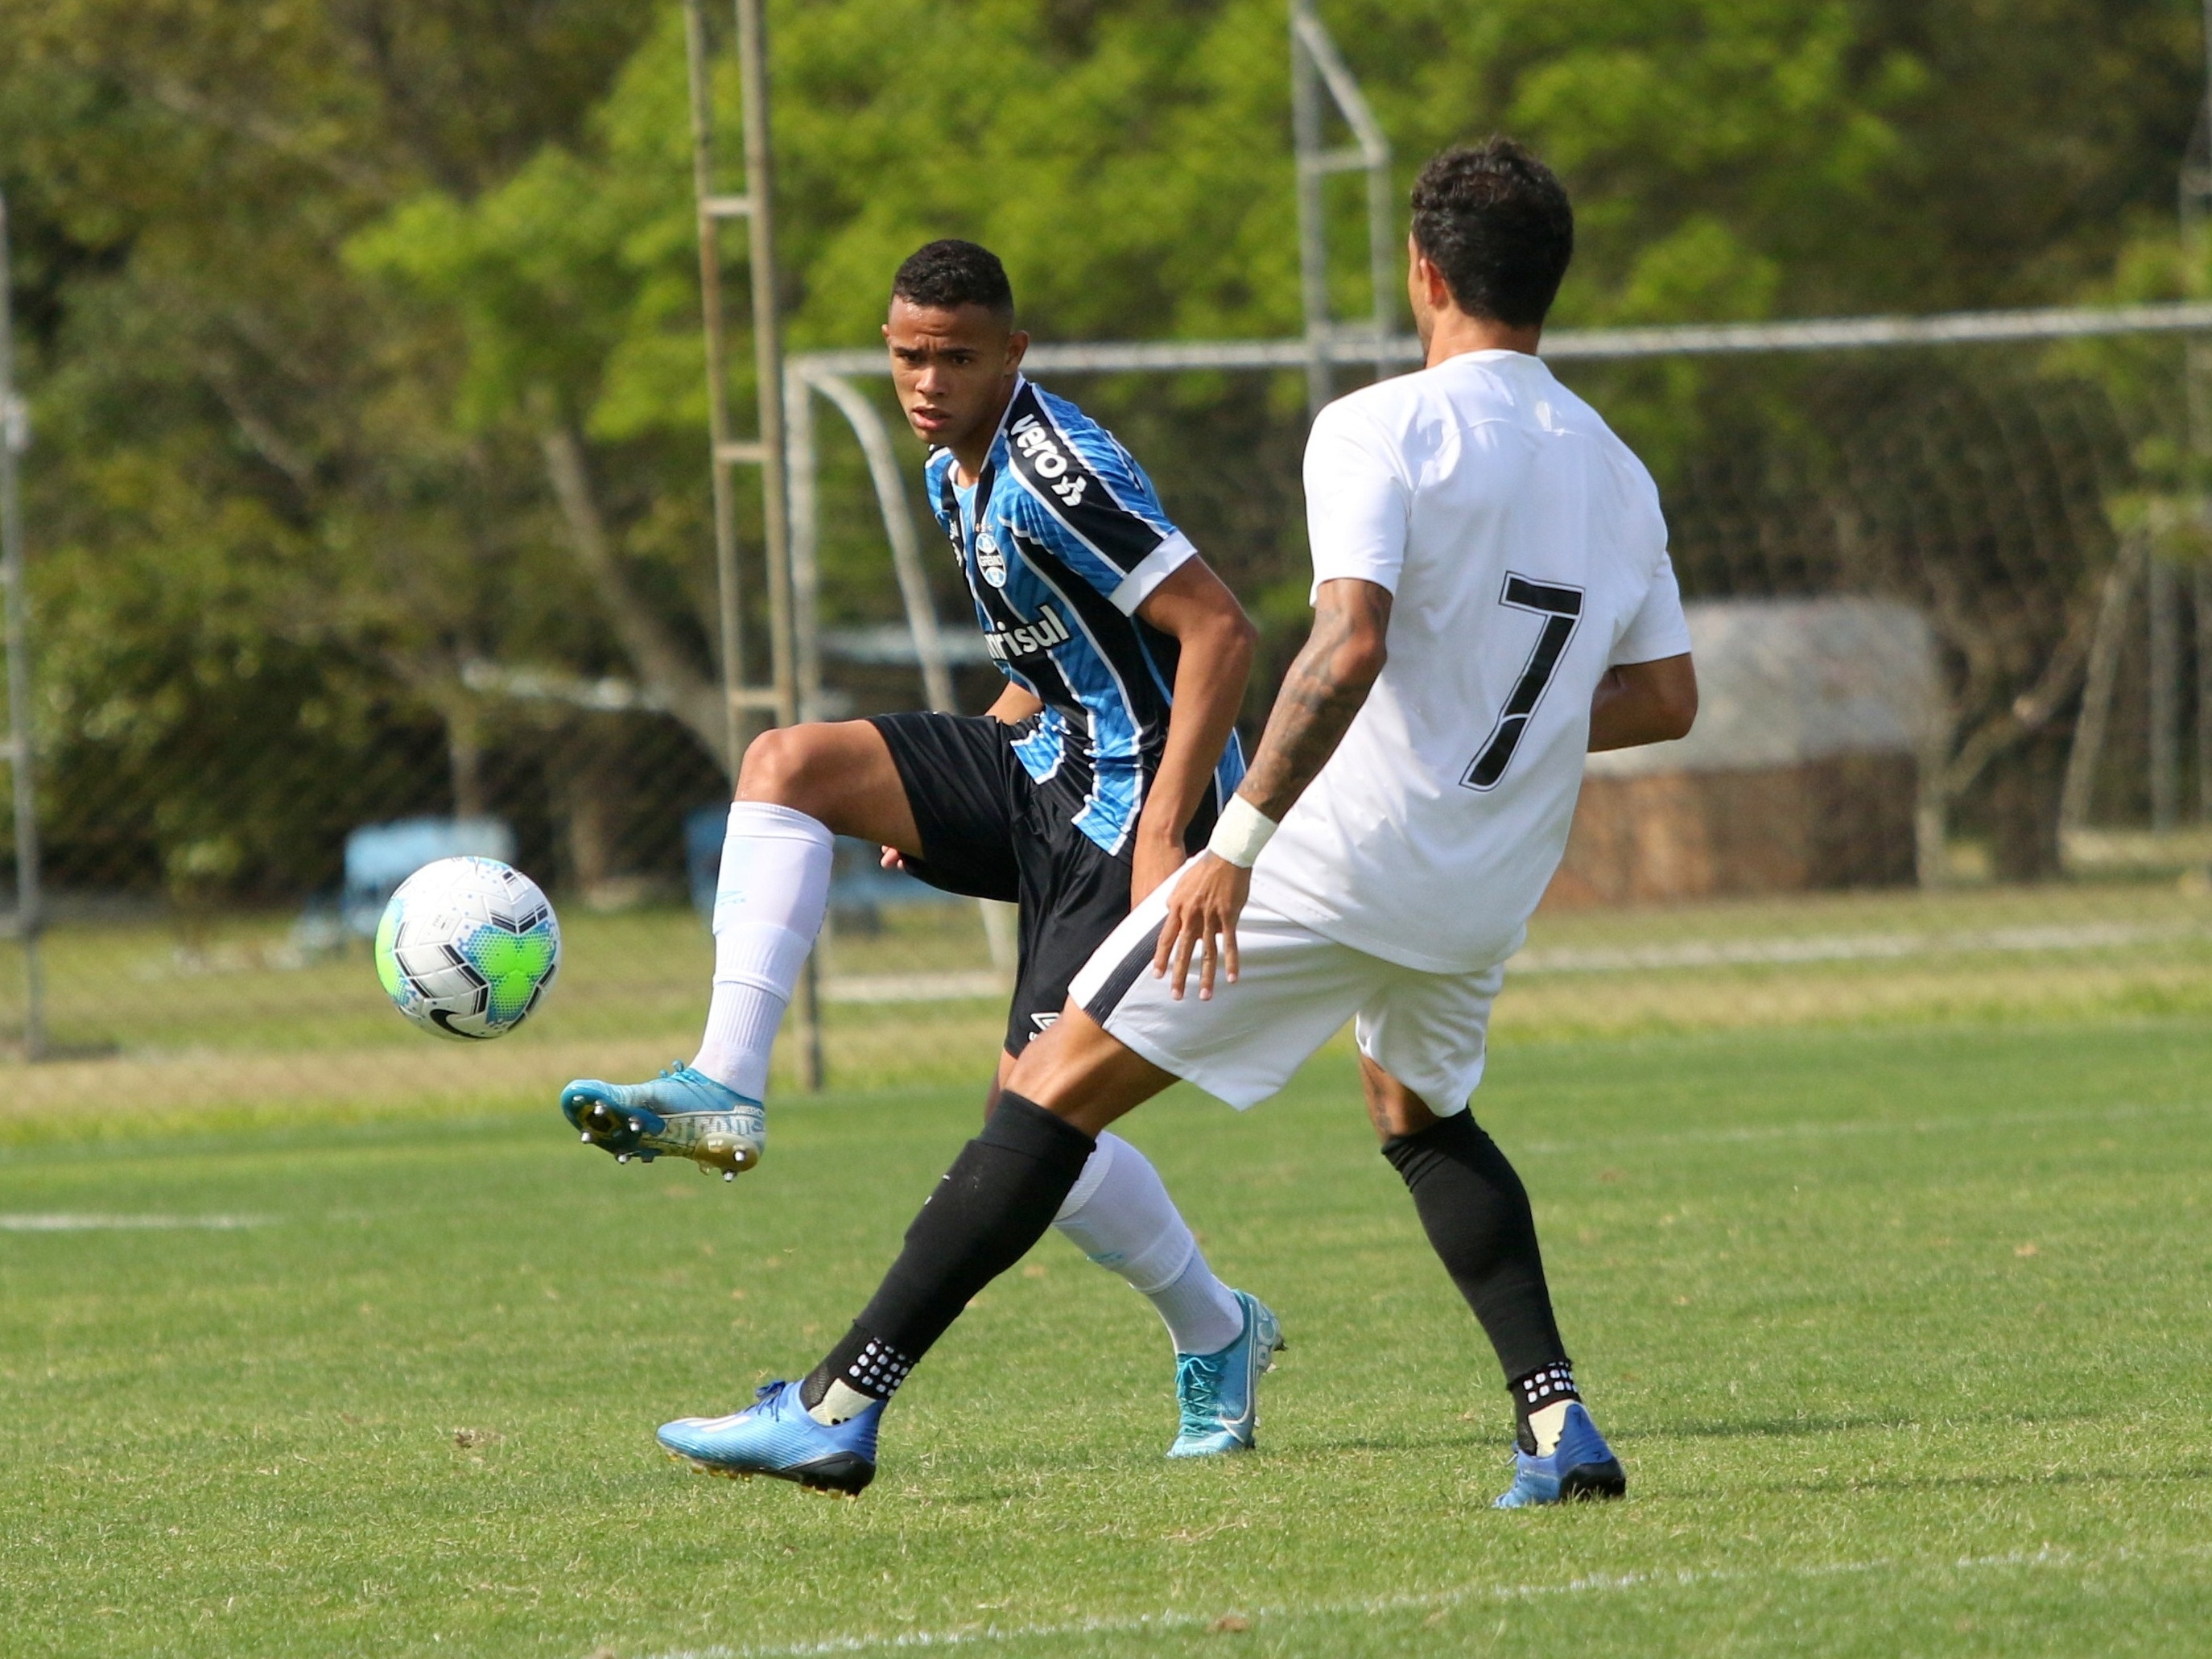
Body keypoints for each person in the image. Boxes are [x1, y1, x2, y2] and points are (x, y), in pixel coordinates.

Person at [652, 139, 1700, 1506]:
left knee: (1045, 1090)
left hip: (1335, 856)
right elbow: (1667, 697)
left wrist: (1235, 849)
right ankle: (1558, 1428)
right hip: (1488, 876)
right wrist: (1504, 730)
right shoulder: (1619, 469)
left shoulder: (1379, 427)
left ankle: (839, 1404)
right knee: (1420, 1110)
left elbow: (1342, 647)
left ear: (1423, 271)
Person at [561, 240, 1285, 1459]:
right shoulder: (956, 471)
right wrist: (945, 801)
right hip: (1046, 766)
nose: (927, 380)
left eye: (956, 356)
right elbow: (1045, 658)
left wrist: (1170, 832)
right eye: (908, 355)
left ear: (1014, 354)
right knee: (788, 766)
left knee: (1033, 1119)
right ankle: (724, 1089)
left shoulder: (1053, 471)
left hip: (1132, 810)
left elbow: (1219, 627)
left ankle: (1216, 1332)